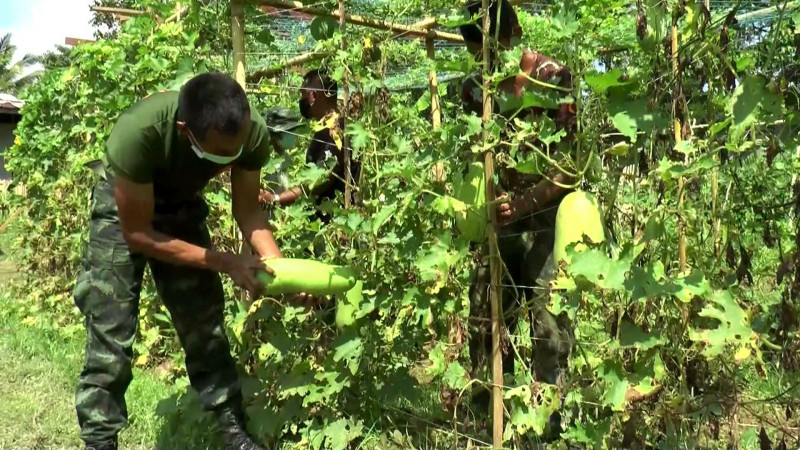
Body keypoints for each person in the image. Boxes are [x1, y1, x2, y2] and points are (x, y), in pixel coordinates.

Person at [72, 72, 280, 450]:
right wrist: (225, 261)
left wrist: (281, 271)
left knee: (205, 326)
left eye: (237, 151)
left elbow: (249, 210)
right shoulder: (138, 132)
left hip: (181, 208)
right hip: (124, 214)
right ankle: (100, 441)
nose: (229, 160)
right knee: (110, 329)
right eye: (220, 155)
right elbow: (139, 235)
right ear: (185, 131)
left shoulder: (251, 132)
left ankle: (234, 433)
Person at [457, 0, 576, 437]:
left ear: (514, 33)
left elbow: (569, 167)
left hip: (548, 217)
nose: (482, 61)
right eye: (475, 51)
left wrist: (527, 201)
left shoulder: (553, 77)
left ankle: (549, 426)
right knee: (484, 315)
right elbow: (472, 153)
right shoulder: (474, 88)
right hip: (498, 219)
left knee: (548, 325)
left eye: (490, 48)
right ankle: (490, 422)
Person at [259, 69, 360, 217]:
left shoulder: (334, 132)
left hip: (335, 223)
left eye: (303, 94)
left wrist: (277, 198)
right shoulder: (333, 128)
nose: (301, 100)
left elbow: (319, 181)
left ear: (313, 96)